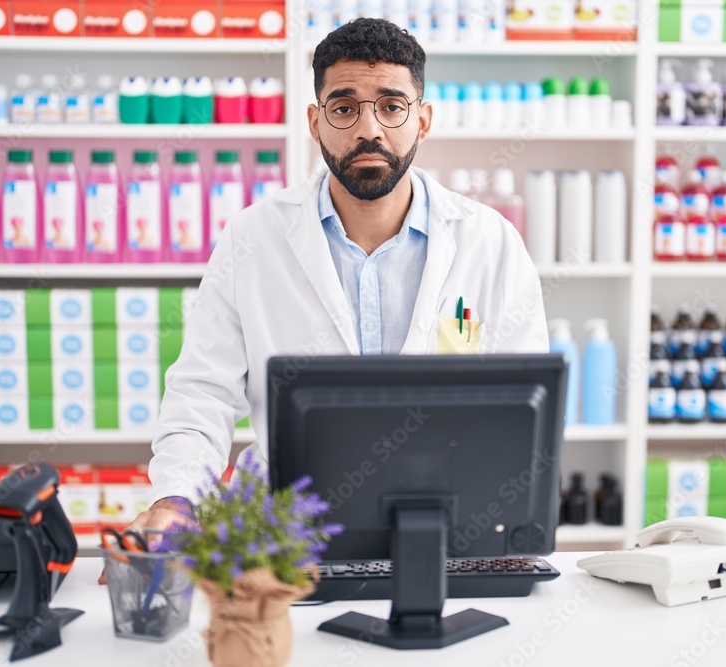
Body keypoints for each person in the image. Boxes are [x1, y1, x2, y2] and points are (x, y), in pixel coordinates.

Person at [124, 18, 548, 538]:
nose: (369, 129)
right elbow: (202, 394)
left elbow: (528, 408)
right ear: (314, 121)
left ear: (423, 120)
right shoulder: (252, 237)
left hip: (448, 523)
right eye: (344, 108)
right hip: (285, 535)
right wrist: (177, 501)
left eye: (392, 106)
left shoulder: (491, 242)